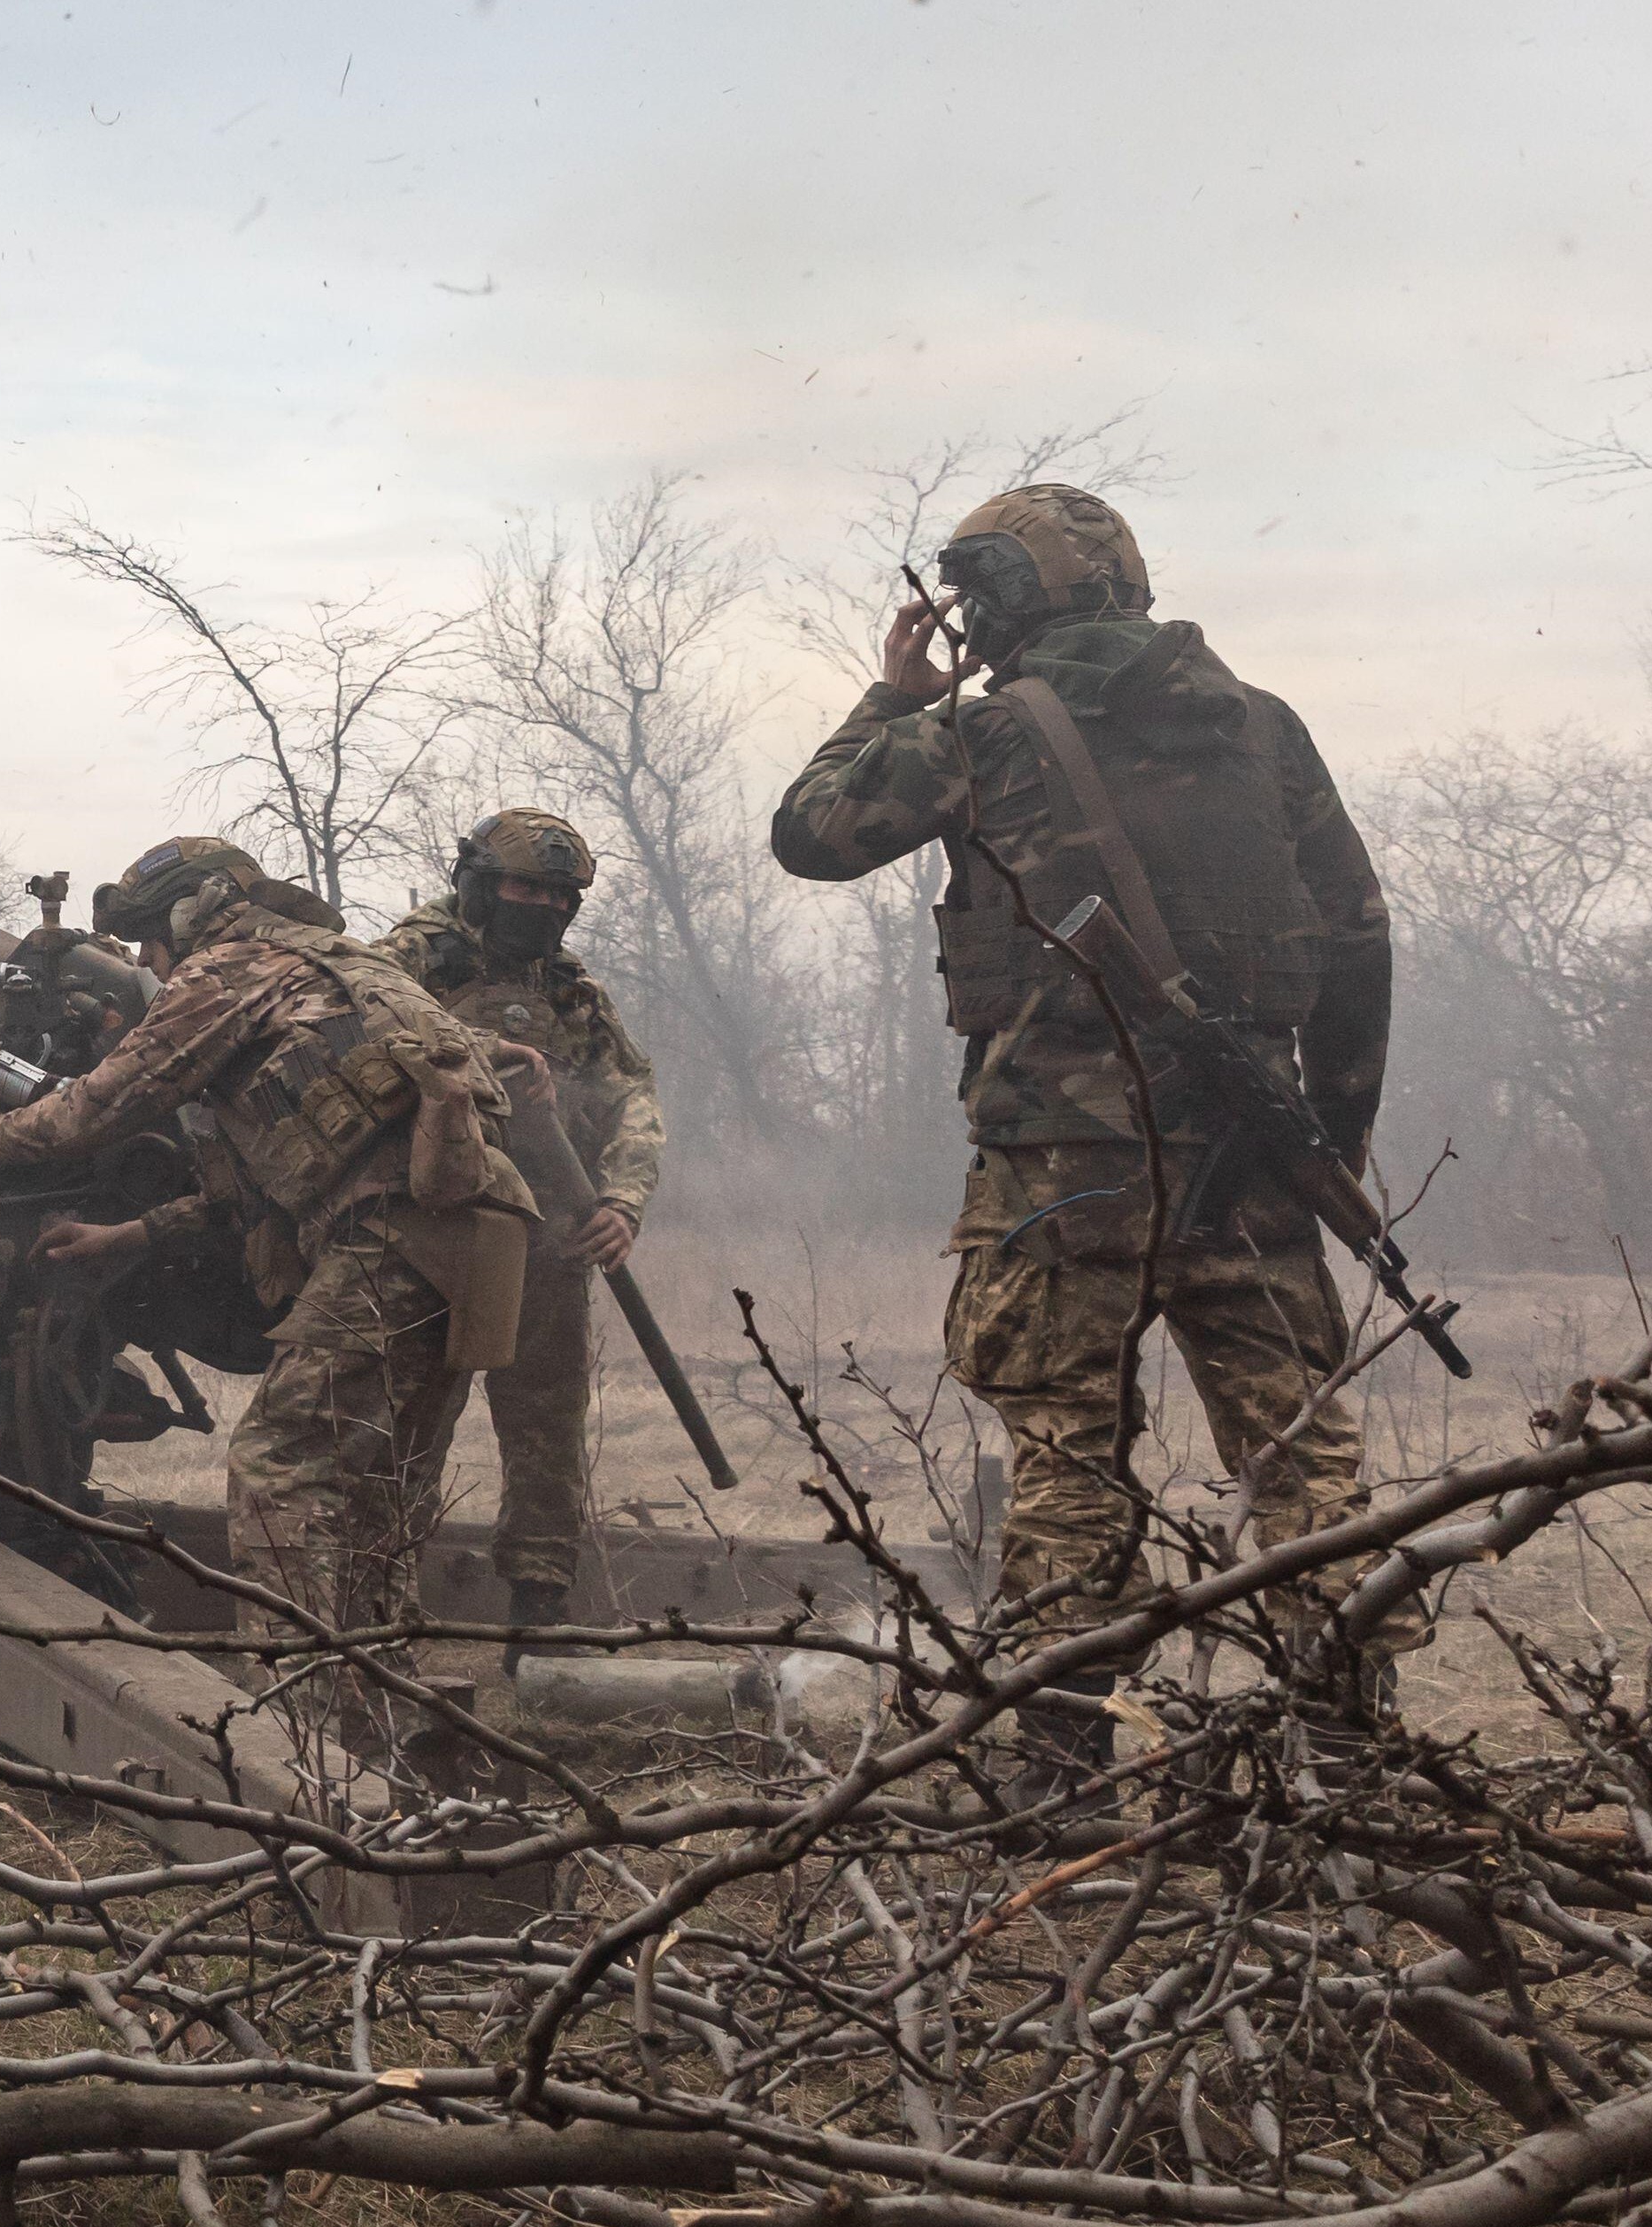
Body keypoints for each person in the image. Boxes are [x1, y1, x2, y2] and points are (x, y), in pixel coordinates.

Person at [767, 485, 1410, 1762]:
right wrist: (1327, 1140)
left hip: (1057, 1176)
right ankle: (1346, 1755)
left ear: (997, 599)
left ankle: (1058, 1766)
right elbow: (1357, 937)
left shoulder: (984, 731)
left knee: (1066, 1454)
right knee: (1302, 1459)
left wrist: (894, 697)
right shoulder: (1263, 729)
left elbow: (810, 833)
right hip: (1252, 1164)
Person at [0, 836, 533, 1748]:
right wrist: (132, 1234)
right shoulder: (334, 968)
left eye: (146, 942)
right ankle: (379, 1720)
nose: (146, 964)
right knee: (378, 1486)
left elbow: (99, 1106)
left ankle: (303, 1743)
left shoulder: (231, 967)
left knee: (279, 1470)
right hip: (478, 1233)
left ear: (190, 912)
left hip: (392, 1233)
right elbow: (259, 1179)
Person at [377, 810, 665, 1649]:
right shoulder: (408, 962)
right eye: (523, 886)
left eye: (558, 894)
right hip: (427, 1231)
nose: (540, 905)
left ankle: (539, 1615)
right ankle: (383, 1603)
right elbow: (370, 1039)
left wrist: (621, 1201)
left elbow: (632, 1097)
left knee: (546, 1424)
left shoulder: (571, 992)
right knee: (409, 1422)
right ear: (475, 881)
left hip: (550, 1232)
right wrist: (481, 1053)